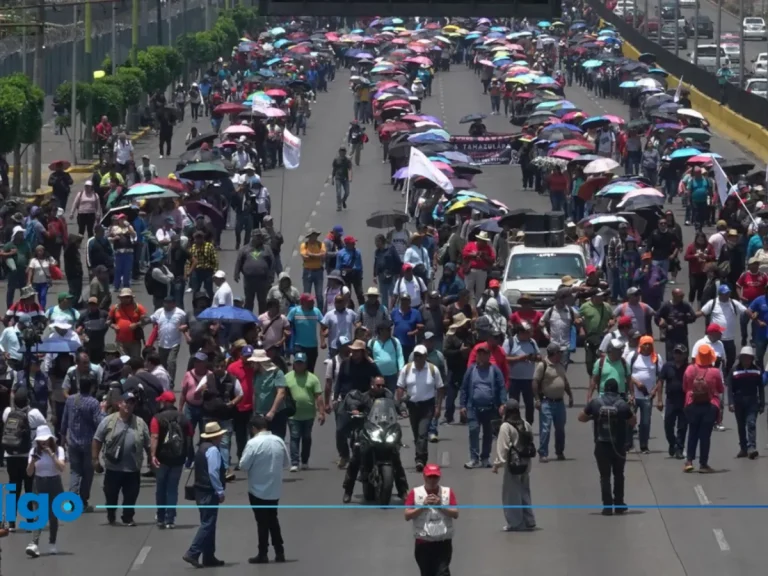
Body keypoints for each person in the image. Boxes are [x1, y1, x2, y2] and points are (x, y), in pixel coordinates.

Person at [91, 391, 151, 526]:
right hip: (113, 468)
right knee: (111, 495)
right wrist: (95, 460)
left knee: (131, 495)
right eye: (126, 402)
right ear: (119, 404)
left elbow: (148, 444)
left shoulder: (140, 423)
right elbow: (97, 439)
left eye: (132, 403)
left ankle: (128, 517)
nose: (128, 405)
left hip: (133, 468)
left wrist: (151, 460)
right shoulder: (108, 421)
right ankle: (111, 513)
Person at [579, 378, 636, 516]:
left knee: (604, 476)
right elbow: (633, 422)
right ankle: (619, 504)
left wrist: (593, 417)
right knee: (619, 475)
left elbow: (581, 417)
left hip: (601, 445)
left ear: (604, 389)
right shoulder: (622, 405)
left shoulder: (596, 403)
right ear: (617, 390)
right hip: (619, 446)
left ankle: (607, 506)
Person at [239, 413, 290, 564]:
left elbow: (243, 465)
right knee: (273, 519)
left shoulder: (253, 443)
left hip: (257, 489)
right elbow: (286, 463)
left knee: (262, 522)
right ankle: (279, 551)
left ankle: (263, 553)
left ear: (254, 428)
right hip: (274, 488)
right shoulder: (279, 441)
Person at [183, 422, 226, 568]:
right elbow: (213, 472)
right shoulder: (213, 450)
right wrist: (220, 491)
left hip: (200, 490)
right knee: (208, 524)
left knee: (209, 523)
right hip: (208, 491)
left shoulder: (202, 448)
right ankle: (192, 552)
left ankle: (209, 556)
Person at [2, 389, 45, 531]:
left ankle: (11, 523)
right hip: (28, 456)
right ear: (28, 400)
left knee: (13, 488)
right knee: (29, 488)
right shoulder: (34, 413)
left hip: (10, 456)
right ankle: (30, 521)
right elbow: (44, 426)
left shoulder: (7, 412)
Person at [404, 464, 458, 576]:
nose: (432, 480)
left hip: (443, 543)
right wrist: (423, 506)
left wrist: (440, 506)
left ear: (439, 477)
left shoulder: (447, 492)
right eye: (430, 477)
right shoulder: (415, 493)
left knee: (443, 572)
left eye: (435, 477)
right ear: (424, 476)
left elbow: (455, 514)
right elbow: (407, 515)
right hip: (423, 543)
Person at [396, 345, 444, 472]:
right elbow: (400, 387)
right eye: (416, 355)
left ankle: (420, 460)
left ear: (425, 357)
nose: (418, 358)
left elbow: (440, 389)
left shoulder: (433, 369)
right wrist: (399, 404)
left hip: (427, 406)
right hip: (413, 406)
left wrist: (438, 407)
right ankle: (423, 456)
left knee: (422, 433)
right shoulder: (407, 369)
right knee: (417, 435)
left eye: (420, 356)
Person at [59, 373, 103, 512]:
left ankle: (72, 499)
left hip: (73, 442)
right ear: (91, 387)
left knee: (75, 471)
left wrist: (62, 440)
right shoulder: (93, 403)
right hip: (88, 443)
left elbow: (64, 421)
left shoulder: (70, 400)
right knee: (87, 473)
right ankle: (83, 501)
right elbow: (99, 422)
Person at [459, 344, 506, 469]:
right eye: (479, 354)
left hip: (490, 407)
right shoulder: (471, 370)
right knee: (473, 431)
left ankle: (485, 457)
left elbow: (502, 387)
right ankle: (473, 458)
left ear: (489, 356)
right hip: (473, 407)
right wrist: (462, 405)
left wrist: (503, 403)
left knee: (488, 434)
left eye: (484, 354)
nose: (481, 356)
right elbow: (464, 388)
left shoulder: (495, 370)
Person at [492, 399, 536, 531]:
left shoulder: (505, 427)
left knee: (511, 495)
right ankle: (529, 520)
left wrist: (497, 464)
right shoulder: (526, 424)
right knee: (524, 491)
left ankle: (516, 523)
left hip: (513, 465)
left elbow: (503, 448)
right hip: (526, 463)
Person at [150, 390, 192, 529]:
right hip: (178, 458)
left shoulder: (157, 418)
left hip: (162, 459)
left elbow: (155, 437)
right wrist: (187, 455)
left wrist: (153, 455)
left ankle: (160, 517)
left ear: (165, 402)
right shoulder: (183, 418)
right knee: (172, 488)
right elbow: (189, 436)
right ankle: (170, 519)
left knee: (161, 488)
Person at [24, 425, 66, 558]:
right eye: (41, 440)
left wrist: (52, 455)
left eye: (45, 439)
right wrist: (33, 461)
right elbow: (29, 473)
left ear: (50, 439)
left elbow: (62, 468)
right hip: (39, 482)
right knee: (39, 514)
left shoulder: (59, 450)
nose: (43, 442)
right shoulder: (33, 451)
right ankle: (34, 543)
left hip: (54, 482)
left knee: (53, 515)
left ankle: (52, 542)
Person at [682, 344, 723, 473]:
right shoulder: (715, 372)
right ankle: (703, 464)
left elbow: (685, 387)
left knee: (692, 433)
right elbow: (720, 389)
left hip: (691, 404)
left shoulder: (689, 369)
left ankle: (689, 461)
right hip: (710, 405)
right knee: (705, 436)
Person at [533, 344, 574, 462]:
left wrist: (570, 395)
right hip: (547, 401)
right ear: (554, 353)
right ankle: (543, 453)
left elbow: (564, 381)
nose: (561, 354)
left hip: (559, 402)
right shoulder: (543, 365)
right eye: (559, 352)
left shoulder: (560, 365)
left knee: (560, 429)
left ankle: (560, 451)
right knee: (545, 428)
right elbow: (535, 382)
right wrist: (537, 399)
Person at [285, 352, 324, 472]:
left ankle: (305, 461)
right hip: (293, 415)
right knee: (294, 437)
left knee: (306, 438)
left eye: (301, 363)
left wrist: (321, 413)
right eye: (297, 363)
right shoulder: (287, 377)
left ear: (306, 364)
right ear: (294, 364)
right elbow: (282, 395)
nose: (299, 365)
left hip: (308, 414)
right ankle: (295, 462)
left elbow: (318, 396)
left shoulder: (313, 378)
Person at [727, 346, 764, 459]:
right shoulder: (734, 370)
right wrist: (731, 403)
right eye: (744, 357)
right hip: (738, 401)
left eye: (748, 357)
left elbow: (761, 388)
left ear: (751, 358)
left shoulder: (757, 370)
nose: (746, 360)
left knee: (751, 423)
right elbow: (730, 388)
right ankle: (743, 448)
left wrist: (762, 403)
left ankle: (752, 447)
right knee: (741, 425)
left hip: (752, 401)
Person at [658, 344, 689, 459]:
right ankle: (672, 443)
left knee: (682, 426)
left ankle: (679, 449)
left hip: (684, 400)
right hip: (671, 400)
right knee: (668, 425)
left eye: (680, 353)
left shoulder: (688, 367)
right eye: (676, 352)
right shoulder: (667, 366)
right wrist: (659, 399)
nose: (677, 355)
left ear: (685, 355)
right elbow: (660, 381)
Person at [330, 147, 353, 212]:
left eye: (343, 151)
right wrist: (332, 178)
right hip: (338, 178)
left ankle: (343, 201)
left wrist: (350, 177)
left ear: (345, 152)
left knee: (347, 192)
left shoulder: (347, 160)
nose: (342, 153)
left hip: (345, 178)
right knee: (338, 192)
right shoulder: (336, 160)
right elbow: (334, 169)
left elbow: (350, 169)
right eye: (341, 151)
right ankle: (339, 206)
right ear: (339, 152)